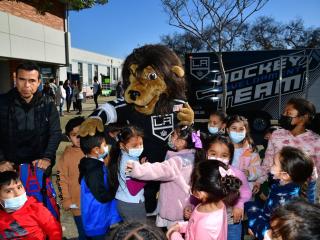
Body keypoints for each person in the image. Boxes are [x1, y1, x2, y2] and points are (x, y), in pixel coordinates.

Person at [127, 126, 202, 228]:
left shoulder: (178, 161)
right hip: (184, 205)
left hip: (174, 210)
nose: (170, 137)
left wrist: (137, 169)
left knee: (173, 235)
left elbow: (159, 170)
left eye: (173, 135)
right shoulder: (192, 157)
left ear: (180, 142)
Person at [185, 134, 251, 240]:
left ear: (230, 157)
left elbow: (246, 192)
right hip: (206, 220)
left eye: (224, 155)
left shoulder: (235, 173)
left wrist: (239, 204)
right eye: (213, 153)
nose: (218, 158)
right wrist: (190, 206)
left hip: (230, 221)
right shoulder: (202, 172)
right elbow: (197, 191)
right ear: (206, 153)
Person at [0, 61, 62, 172]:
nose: (26, 85)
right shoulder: (3, 102)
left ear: (39, 82)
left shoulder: (48, 103)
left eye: (32, 80)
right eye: (22, 79)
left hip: (39, 164)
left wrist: (47, 157)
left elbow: (55, 132)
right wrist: (1, 160)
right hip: (9, 167)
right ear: (15, 79)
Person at [258, 98, 320, 203]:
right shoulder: (277, 134)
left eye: (289, 113)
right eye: (284, 112)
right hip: (277, 190)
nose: (284, 115)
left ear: (304, 117)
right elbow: (268, 162)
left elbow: (317, 171)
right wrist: (259, 181)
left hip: (302, 194)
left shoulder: (315, 141)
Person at [245, 146, 314, 240]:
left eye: (274, 164)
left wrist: (251, 208)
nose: (271, 166)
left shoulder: (284, 201)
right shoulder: (284, 185)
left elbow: (269, 232)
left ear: (285, 175)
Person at [167, 160, 242, 240]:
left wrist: (174, 235)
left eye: (192, 183)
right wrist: (181, 226)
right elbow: (194, 225)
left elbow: (201, 227)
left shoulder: (206, 225)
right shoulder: (218, 204)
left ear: (200, 194)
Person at [78, 120, 121, 239]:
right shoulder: (94, 170)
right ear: (96, 150)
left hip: (97, 215)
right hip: (97, 219)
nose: (107, 147)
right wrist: (115, 191)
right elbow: (101, 195)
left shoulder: (89, 164)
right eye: (104, 145)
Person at [0, 171, 62, 239]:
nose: (17, 193)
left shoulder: (36, 209)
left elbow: (54, 230)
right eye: (9, 191)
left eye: (19, 187)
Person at [108, 126, 146, 222]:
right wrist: (146, 173)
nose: (139, 148)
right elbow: (133, 188)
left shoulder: (125, 156)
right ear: (122, 145)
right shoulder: (129, 163)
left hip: (126, 201)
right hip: (131, 204)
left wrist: (140, 166)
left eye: (141, 144)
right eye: (134, 146)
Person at [56, 116, 86, 239]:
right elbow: (60, 179)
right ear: (68, 137)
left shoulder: (97, 150)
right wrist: (66, 200)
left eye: (82, 134)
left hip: (97, 205)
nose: (78, 138)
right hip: (78, 205)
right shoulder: (66, 156)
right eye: (74, 135)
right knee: (83, 235)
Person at [225, 115, 262, 192]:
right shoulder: (222, 148)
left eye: (241, 129)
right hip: (225, 189)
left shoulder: (250, 150)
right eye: (234, 128)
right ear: (227, 130)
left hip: (244, 190)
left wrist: (249, 173)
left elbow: (258, 168)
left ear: (246, 131)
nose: (237, 132)